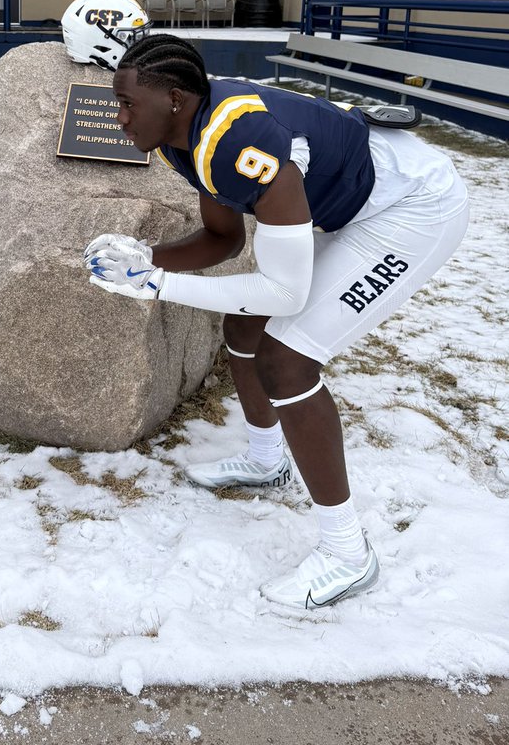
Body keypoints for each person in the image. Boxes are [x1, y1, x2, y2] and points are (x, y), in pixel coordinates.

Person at [85, 34, 469, 610]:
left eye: (127, 103)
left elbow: (285, 295)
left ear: (174, 97)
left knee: (287, 358)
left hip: (411, 204)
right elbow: (223, 238)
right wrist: (147, 257)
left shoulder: (237, 140)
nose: (118, 118)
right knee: (243, 329)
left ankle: (348, 553)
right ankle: (267, 460)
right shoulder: (180, 139)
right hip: (349, 199)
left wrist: (159, 284)